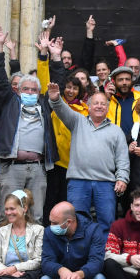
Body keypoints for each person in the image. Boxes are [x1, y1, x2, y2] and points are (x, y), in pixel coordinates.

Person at [0, 26, 62, 223]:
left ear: (38, 92)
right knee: (8, 215)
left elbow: (59, 85)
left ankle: (35, 253)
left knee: (36, 215)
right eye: (25, 89)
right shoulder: (9, 103)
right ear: (18, 90)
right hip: (13, 166)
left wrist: (54, 57)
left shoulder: (44, 105)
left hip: (38, 168)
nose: (29, 93)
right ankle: (4, 253)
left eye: (33, 90)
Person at [47, 83, 130, 234]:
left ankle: (104, 255)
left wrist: (122, 178)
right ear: (89, 106)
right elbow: (62, 110)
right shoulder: (78, 121)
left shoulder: (116, 131)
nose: (99, 106)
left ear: (107, 107)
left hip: (106, 183)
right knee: (77, 222)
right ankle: (79, 255)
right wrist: (55, 98)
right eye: (96, 103)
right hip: (79, 181)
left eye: (103, 104)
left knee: (107, 223)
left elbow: (123, 158)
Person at [40, 36, 87, 220]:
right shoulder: (54, 105)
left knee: (69, 204)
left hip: (75, 164)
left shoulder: (85, 110)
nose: (70, 91)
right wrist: (46, 56)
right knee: (51, 200)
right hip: (56, 162)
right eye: (67, 87)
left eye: (74, 88)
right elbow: (45, 82)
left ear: (80, 91)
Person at [107, 66, 140, 137]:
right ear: (114, 82)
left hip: (136, 144)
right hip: (113, 144)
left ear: (132, 81)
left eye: (127, 79)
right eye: (120, 80)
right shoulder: (108, 100)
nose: (124, 83)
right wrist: (107, 99)